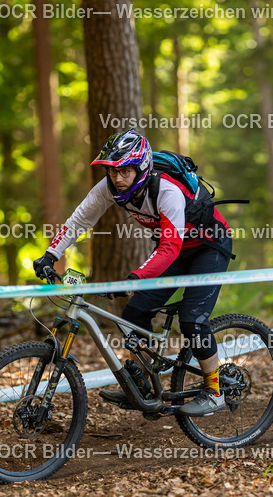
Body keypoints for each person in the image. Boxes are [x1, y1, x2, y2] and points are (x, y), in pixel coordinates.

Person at [33, 129, 234, 416]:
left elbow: (168, 248)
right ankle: (145, 385)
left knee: (192, 320)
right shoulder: (109, 188)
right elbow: (80, 220)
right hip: (175, 249)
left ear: (141, 168)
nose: (117, 178)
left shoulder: (167, 190)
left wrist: (136, 278)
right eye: (113, 171)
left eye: (125, 171)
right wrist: (51, 254)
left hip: (208, 246)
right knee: (134, 314)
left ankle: (214, 390)